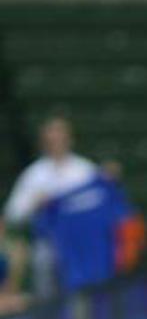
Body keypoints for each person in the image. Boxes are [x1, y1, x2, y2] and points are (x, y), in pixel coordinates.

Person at [4, 116, 97, 295]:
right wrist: (34, 203)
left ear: (70, 140)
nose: (56, 144)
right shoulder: (34, 174)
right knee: (43, 262)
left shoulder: (85, 171)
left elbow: (96, 202)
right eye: (51, 140)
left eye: (60, 139)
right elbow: (13, 213)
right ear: (44, 143)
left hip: (81, 241)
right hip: (48, 241)